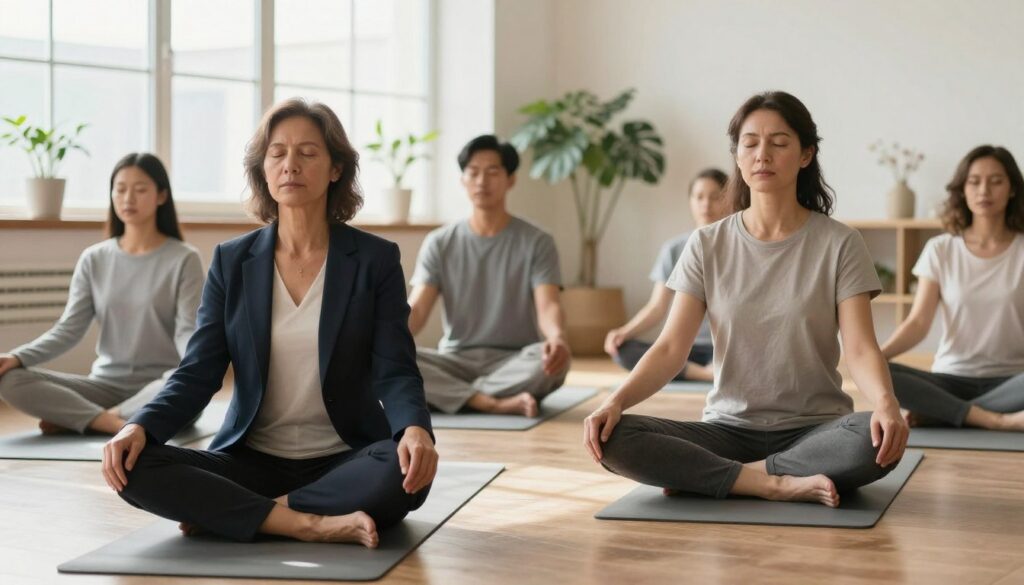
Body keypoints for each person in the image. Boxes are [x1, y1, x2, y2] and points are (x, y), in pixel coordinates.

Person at [101, 98, 438, 547]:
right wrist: (137, 427)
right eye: (277, 153)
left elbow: (394, 367)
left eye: (308, 153)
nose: (290, 165)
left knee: (406, 471)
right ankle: (308, 522)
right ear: (263, 169)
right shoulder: (231, 260)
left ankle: (241, 514)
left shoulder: (374, 260)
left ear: (336, 168)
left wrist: (415, 429)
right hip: (249, 461)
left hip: (345, 455)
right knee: (132, 465)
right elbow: (198, 371)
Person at [584, 91, 908, 507]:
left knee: (870, 439)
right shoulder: (706, 244)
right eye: (750, 143)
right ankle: (774, 481)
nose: (762, 155)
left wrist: (886, 403)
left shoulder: (841, 243)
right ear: (737, 156)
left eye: (779, 143)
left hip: (815, 429)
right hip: (727, 430)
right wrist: (614, 402)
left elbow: (861, 348)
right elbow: (669, 348)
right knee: (615, 436)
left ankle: (723, 478)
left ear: (806, 154)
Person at [0, 153, 202, 435]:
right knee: (8, 379)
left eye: (140, 189)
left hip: (158, 384)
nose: (128, 198)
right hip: (103, 386)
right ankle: (111, 423)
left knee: (188, 385)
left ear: (161, 196)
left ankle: (91, 419)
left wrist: (194, 369)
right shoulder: (94, 258)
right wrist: (18, 357)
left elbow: (186, 331)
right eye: (120, 189)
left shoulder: (184, 259)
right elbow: (69, 329)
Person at [407, 135, 571, 417]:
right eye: (473, 172)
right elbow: (418, 309)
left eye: (493, 171)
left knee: (550, 363)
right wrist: (382, 344)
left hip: (515, 360)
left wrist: (557, 337)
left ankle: (455, 395)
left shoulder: (537, 241)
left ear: (510, 180)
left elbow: (549, 305)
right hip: (453, 360)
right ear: (463, 180)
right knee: (385, 360)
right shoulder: (439, 242)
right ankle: (490, 402)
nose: (482, 181)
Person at [881, 145, 1024, 430]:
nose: (984, 190)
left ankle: (946, 413)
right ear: (963, 189)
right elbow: (919, 322)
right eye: (974, 181)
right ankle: (994, 420)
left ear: (1011, 189)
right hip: (949, 380)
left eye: (996, 181)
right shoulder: (940, 250)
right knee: (882, 373)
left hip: (1013, 381)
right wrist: (875, 360)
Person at [604, 168, 732, 382]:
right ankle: (703, 374)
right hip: (682, 349)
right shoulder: (674, 249)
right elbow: (656, 308)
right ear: (690, 201)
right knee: (624, 350)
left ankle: (703, 371)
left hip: (726, 348)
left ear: (728, 200)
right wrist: (623, 332)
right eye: (699, 197)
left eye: (715, 197)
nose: (706, 204)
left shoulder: (740, 246)